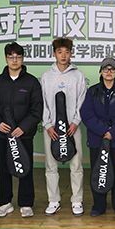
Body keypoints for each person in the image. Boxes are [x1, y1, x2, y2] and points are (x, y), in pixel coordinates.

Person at [0, 42, 43, 218]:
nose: (15, 60)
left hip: (24, 136)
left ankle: (26, 203)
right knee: (4, 169)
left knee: (25, 168)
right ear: (6, 58)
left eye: (18, 56)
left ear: (23, 58)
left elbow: (37, 110)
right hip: (3, 136)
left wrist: (23, 127)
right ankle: (5, 203)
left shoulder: (31, 82)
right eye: (11, 57)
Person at [80, 57, 115, 217]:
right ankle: (98, 206)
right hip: (97, 140)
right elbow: (86, 114)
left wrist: (113, 133)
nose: (109, 72)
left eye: (112, 69)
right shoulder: (92, 91)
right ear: (101, 72)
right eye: (105, 69)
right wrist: (104, 131)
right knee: (99, 173)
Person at [40, 37, 87, 216]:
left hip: (72, 128)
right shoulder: (46, 76)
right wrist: (47, 124)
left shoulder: (78, 75)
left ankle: (77, 200)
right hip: (51, 129)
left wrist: (75, 121)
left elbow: (82, 101)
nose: (63, 55)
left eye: (67, 52)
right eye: (60, 52)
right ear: (54, 54)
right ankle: (54, 200)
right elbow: (42, 103)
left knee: (76, 165)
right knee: (51, 165)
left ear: (71, 53)